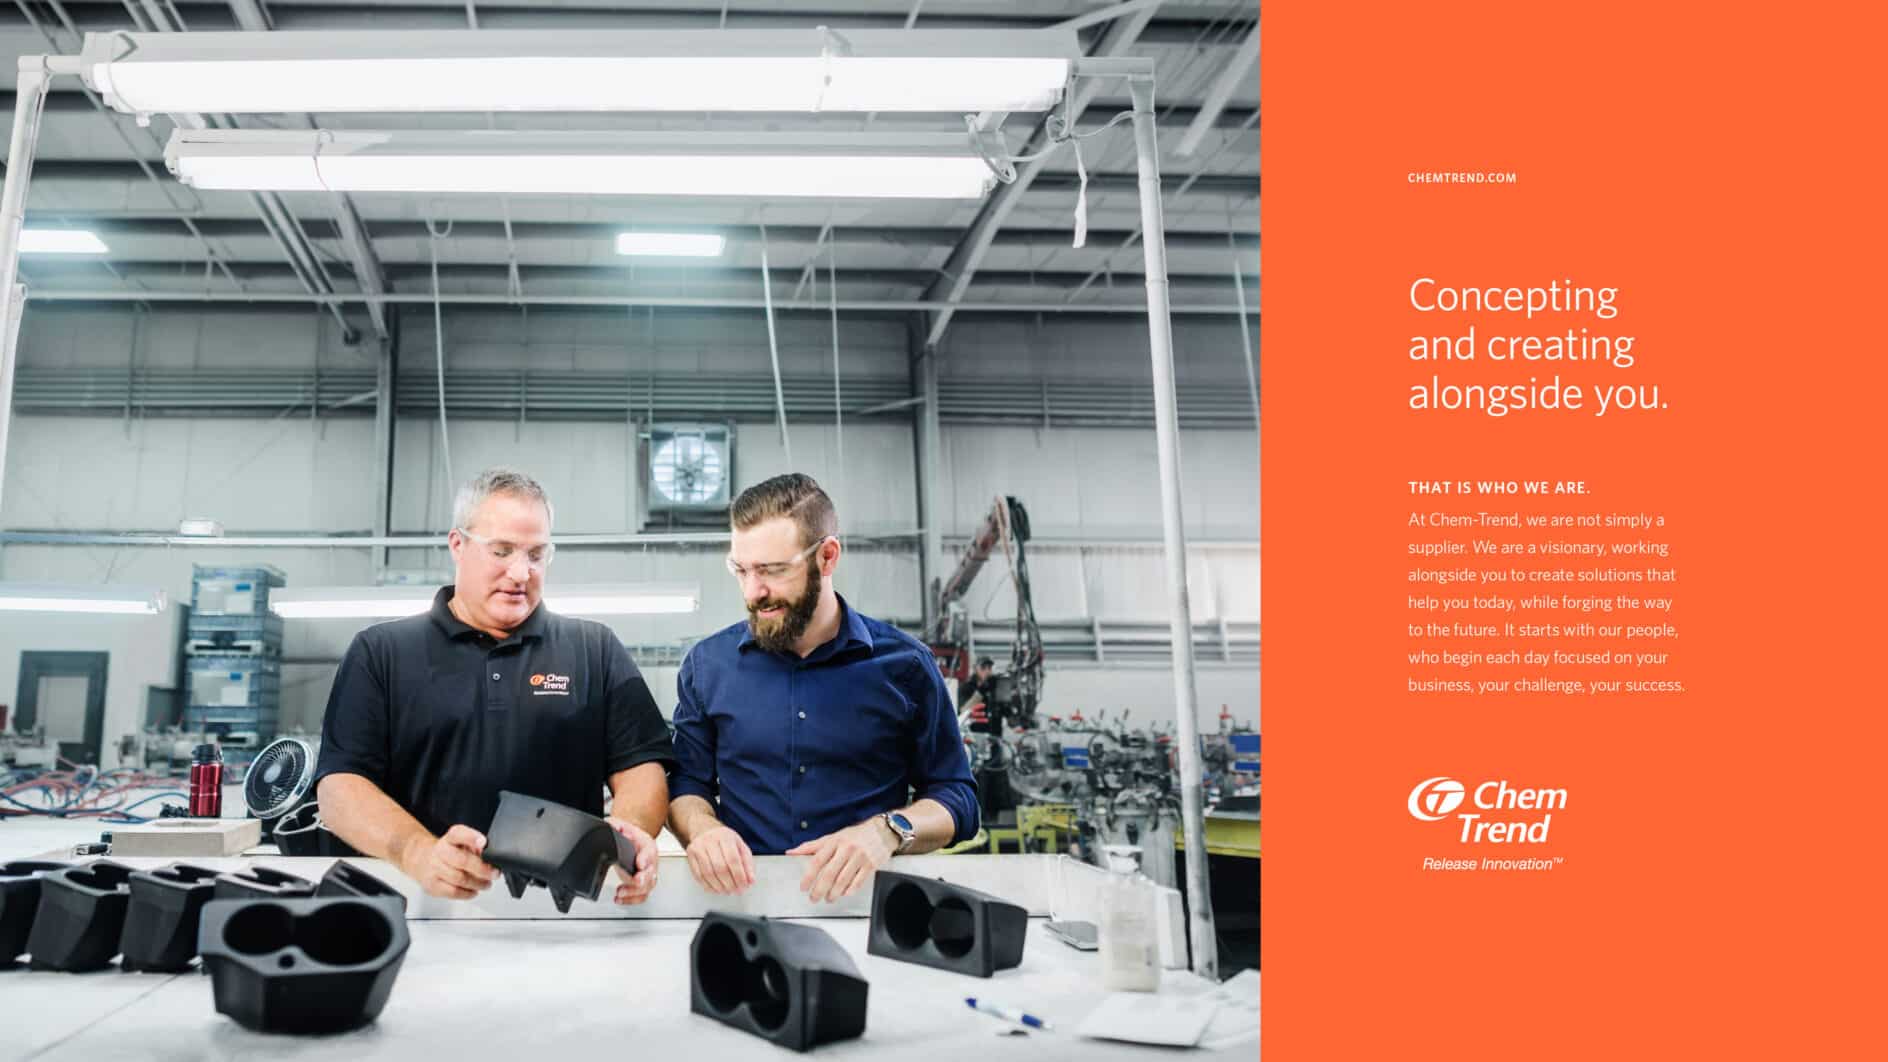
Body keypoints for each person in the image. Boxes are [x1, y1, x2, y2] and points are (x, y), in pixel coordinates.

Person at [314, 468, 675, 903]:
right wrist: (418, 852)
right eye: (501, 551)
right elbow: (340, 788)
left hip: (568, 915)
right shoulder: (381, 652)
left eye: (537, 554)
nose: (521, 573)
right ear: (458, 545)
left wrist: (630, 830)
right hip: (422, 906)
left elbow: (641, 766)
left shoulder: (594, 648)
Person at [668, 473, 978, 903]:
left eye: (773, 570)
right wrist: (704, 830)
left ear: (827, 557)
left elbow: (957, 798)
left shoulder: (905, 666)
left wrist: (888, 831)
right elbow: (686, 785)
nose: (754, 591)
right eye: (741, 570)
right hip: (744, 905)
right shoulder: (708, 666)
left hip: (867, 909)